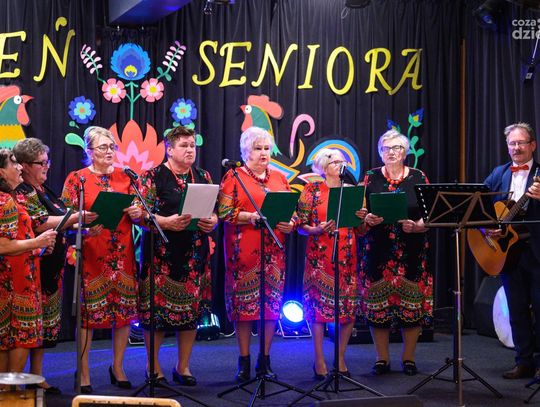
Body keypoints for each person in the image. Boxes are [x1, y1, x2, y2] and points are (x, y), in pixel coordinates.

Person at [61, 126, 143, 393]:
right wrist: (83, 227)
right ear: (89, 151)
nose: (109, 152)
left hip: (122, 253)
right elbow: (64, 219)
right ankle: (83, 371)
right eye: (102, 147)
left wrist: (137, 212)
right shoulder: (78, 179)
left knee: (124, 314)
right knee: (88, 316)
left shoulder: (126, 176)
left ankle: (118, 367)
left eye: (111, 147)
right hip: (91, 254)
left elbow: (141, 211)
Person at [12, 138, 96, 394]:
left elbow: (61, 218)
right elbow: (39, 222)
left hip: (52, 266)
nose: (47, 166)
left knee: (44, 327)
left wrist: (83, 226)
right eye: (41, 163)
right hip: (32, 267)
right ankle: (13, 385)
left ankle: (37, 376)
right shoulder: (21, 191)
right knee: (28, 328)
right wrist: (75, 217)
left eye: (47, 161)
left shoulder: (44, 189)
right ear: (25, 165)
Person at [138, 126, 217, 386]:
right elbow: (139, 214)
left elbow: (214, 210)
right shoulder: (153, 176)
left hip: (194, 255)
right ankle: (153, 367)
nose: (190, 150)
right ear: (169, 150)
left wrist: (213, 221)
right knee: (157, 316)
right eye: (184, 145)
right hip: (161, 255)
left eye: (192, 145)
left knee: (191, 315)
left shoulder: (203, 176)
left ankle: (183, 367)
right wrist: (165, 222)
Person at [218, 126, 294, 382]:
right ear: (245, 151)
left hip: (274, 251)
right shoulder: (234, 177)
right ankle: (244, 360)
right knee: (244, 308)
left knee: (271, 307)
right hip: (243, 252)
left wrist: (291, 222)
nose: (263, 153)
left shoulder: (279, 178)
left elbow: (291, 211)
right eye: (257, 148)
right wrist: (249, 217)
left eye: (266, 148)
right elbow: (224, 212)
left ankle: (265, 359)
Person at [360, 129, 432, 376]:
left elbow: (430, 212)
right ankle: (382, 358)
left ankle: (408, 358)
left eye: (397, 148)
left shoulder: (418, 176)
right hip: (378, 250)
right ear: (380, 152)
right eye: (386, 148)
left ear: (405, 152)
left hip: (412, 250)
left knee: (412, 307)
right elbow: (359, 212)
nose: (391, 152)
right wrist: (367, 218)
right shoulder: (370, 177)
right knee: (377, 307)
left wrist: (418, 226)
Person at [296, 148, 366, 379]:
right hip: (319, 257)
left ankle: (341, 357)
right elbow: (301, 225)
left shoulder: (353, 191)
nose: (341, 165)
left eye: (343, 162)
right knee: (318, 311)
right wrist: (316, 229)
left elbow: (361, 229)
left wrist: (364, 219)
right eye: (336, 162)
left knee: (348, 309)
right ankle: (319, 360)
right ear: (324, 167)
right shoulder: (312, 190)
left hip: (348, 256)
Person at [483, 122, 540, 380]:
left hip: (536, 251)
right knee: (516, 309)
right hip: (508, 253)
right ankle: (523, 361)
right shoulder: (499, 172)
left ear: (532, 145)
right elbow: (478, 203)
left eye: (521, 143)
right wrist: (488, 228)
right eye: (512, 143)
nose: (516, 148)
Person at [0, 149, 57, 376]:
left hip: (20, 277)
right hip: (14, 283)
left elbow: (17, 239)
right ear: (1, 172)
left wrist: (38, 248)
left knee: (8, 338)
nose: (19, 167)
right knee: (19, 337)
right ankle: (10, 392)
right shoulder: (5, 201)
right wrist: (37, 242)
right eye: (13, 164)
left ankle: (9, 392)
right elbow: (3, 246)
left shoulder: (12, 198)